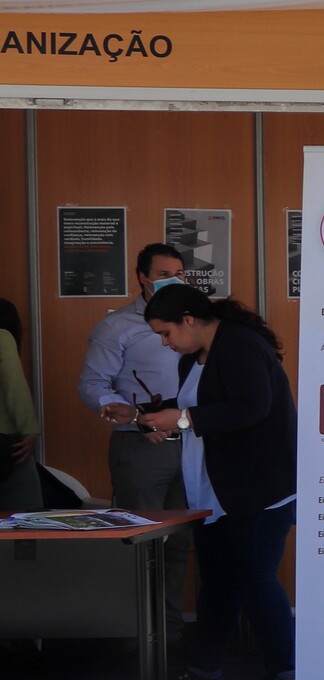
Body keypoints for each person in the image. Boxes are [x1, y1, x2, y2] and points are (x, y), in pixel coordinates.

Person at [134, 286, 300, 680]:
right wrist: (147, 416)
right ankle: (204, 668)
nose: (165, 343)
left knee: (255, 579)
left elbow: (251, 406)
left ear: (189, 320)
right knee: (218, 580)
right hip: (215, 491)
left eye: (166, 333)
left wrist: (185, 419)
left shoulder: (240, 345)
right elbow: (200, 403)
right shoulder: (196, 354)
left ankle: (289, 670)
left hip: (257, 490)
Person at [78, 242, 192, 622]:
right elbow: (93, 385)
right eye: (163, 275)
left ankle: (171, 634)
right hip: (142, 448)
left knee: (180, 546)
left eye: (179, 273)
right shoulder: (117, 326)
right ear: (142, 278)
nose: (173, 281)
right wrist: (136, 419)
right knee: (142, 543)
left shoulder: (195, 324)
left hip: (194, 445)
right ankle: (136, 633)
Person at [0, 296, 39, 513]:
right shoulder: (3, 336)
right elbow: (15, 387)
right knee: (26, 514)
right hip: (6, 441)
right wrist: (30, 431)